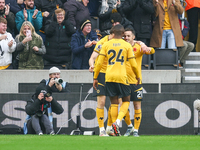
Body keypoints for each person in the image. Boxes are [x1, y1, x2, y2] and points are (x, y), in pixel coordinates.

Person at [93, 24, 140, 136]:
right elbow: (133, 64)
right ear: (123, 34)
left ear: (112, 33)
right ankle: (117, 122)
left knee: (113, 102)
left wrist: (95, 77)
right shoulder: (126, 45)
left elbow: (99, 62)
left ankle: (112, 128)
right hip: (122, 76)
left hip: (108, 76)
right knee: (126, 100)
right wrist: (137, 75)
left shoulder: (106, 44)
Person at [123, 28, 155, 137]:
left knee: (137, 106)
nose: (126, 38)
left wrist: (147, 48)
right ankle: (129, 126)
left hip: (136, 82)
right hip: (123, 81)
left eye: (128, 36)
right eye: (125, 36)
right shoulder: (122, 47)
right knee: (123, 106)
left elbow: (152, 50)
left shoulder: (138, 47)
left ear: (133, 37)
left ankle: (136, 130)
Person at [89, 30, 115, 136]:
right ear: (111, 34)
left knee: (114, 102)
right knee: (102, 102)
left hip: (114, 74)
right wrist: (92, 65)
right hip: (101, 74)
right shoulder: (101, 43)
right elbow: (92, 58)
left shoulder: (120, 42)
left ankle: (109, 128)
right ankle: (101, 130)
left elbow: (132, 40)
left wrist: (141, 43)